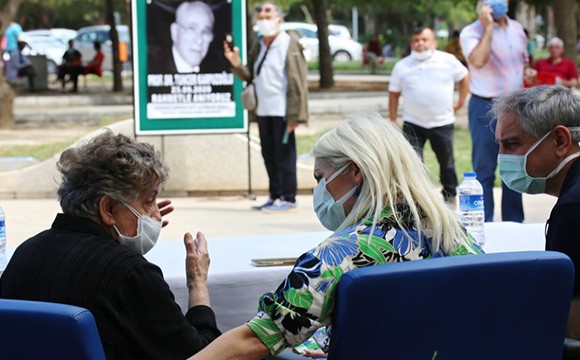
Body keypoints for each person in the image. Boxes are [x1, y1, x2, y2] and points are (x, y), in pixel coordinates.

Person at [189, 111, 483, 359]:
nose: (319, 189)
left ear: (355, 171)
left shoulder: (336, 256)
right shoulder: (455, 236)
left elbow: (254, 340)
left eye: (321, 177)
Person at [0, 131, 221, 359]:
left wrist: (130, 227)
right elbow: (201, 354)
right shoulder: (130, 273)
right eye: (148, 201)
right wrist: (198, 284)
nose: (155, 215)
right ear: (107, 209)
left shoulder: (24, 254)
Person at [492, 85, 580, 339]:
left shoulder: (573, 209)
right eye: (499, 145)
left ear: (561, 141)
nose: (502, 157)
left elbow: (573, 332)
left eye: (512, 144)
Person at [224, 1, 308, 213]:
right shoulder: (259, 44)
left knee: (284, 156)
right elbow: (251, 75)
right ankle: (275, 195)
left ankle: (289, 198)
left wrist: (296, 116)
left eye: (268, 15)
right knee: (269, 155)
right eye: (260, 16)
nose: (263, 19)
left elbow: (298, 81)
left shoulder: (289, 43)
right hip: (263, 110)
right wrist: (235, 62)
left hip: (283, 111)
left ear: (278, 20)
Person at [460, 0, 530, 222]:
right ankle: (485, 222)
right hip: (485, 105)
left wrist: (527, 74)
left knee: (516, 166)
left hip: (514, 105)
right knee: (484, 169)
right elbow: (478, 60)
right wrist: (488, 27)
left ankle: (514, 222)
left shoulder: (517, 29)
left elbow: (523, 62)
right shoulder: (471, 32)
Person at [389, 27, 470, 205]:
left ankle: (450, 196)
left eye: (425, 39)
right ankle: (416, 200)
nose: (420, 43)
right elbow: (394, 93)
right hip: (413, 123)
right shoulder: (402, 66)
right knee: (412, 163)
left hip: (443, 121)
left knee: (447, 162)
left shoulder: (448, 60)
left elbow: (464, 77)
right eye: (416, 40)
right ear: (411, 43)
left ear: (434, 42)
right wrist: (393, 118)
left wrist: (460, 102)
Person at [148, 1, 215, 74]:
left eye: (206, 32)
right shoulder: (150, 70)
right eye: (191, 29)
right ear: (175, 32)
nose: (199, 40)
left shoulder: (218, 71)